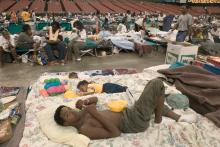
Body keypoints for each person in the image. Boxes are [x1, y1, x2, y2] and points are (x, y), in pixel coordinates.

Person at [54, 78, 197, 139]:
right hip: (132, 122)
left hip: (129, 112)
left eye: (68, 109)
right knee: (156, 84)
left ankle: (177, 117)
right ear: (67, 124)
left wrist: (85, 101)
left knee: (155, 100)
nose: (71, 111)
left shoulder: (82, 112)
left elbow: (96, 99)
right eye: (67, 115)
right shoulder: (84, 128)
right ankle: (159, 120)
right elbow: (115, 133)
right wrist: (96, 114)